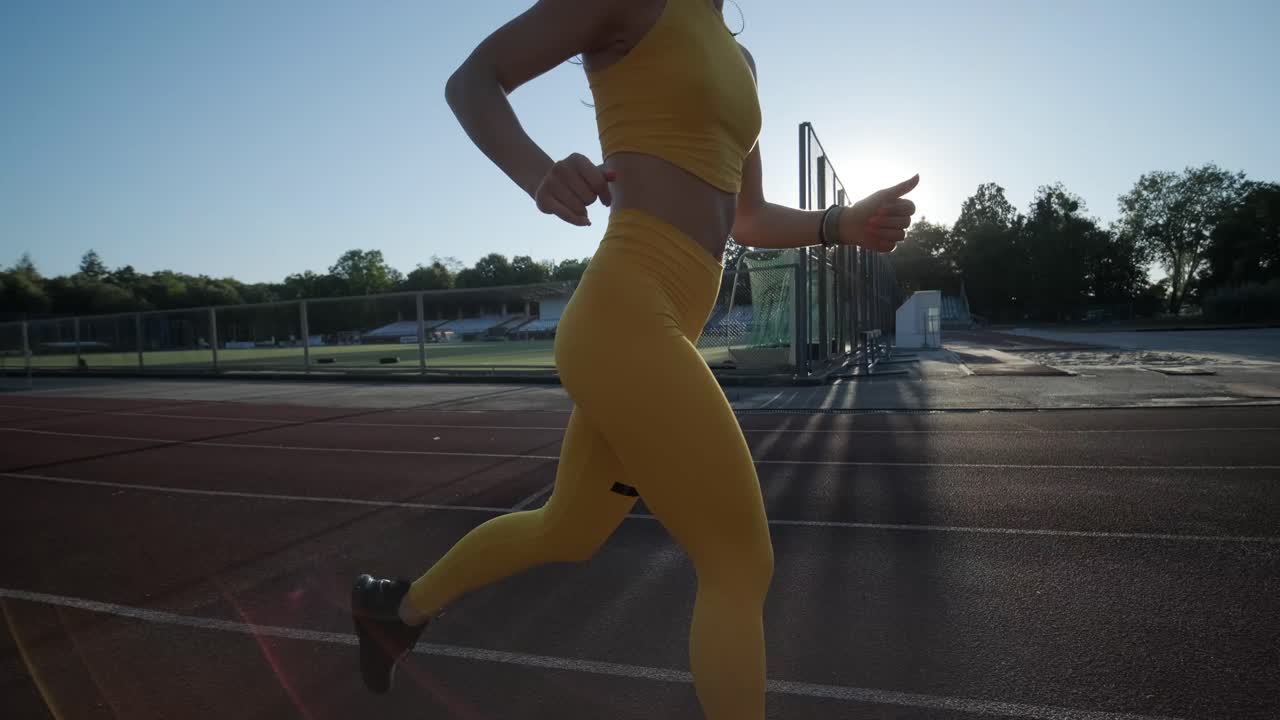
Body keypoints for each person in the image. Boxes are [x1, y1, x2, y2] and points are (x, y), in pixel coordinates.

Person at [351, 0, 919, 716]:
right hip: (625, 313)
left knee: (569, 529)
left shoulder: (740, 61)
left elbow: (745, 215)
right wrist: (537, 174)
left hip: (664, 324)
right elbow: (473, 80)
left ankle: (395, 609)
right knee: (739, 565)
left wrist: (840, 223)